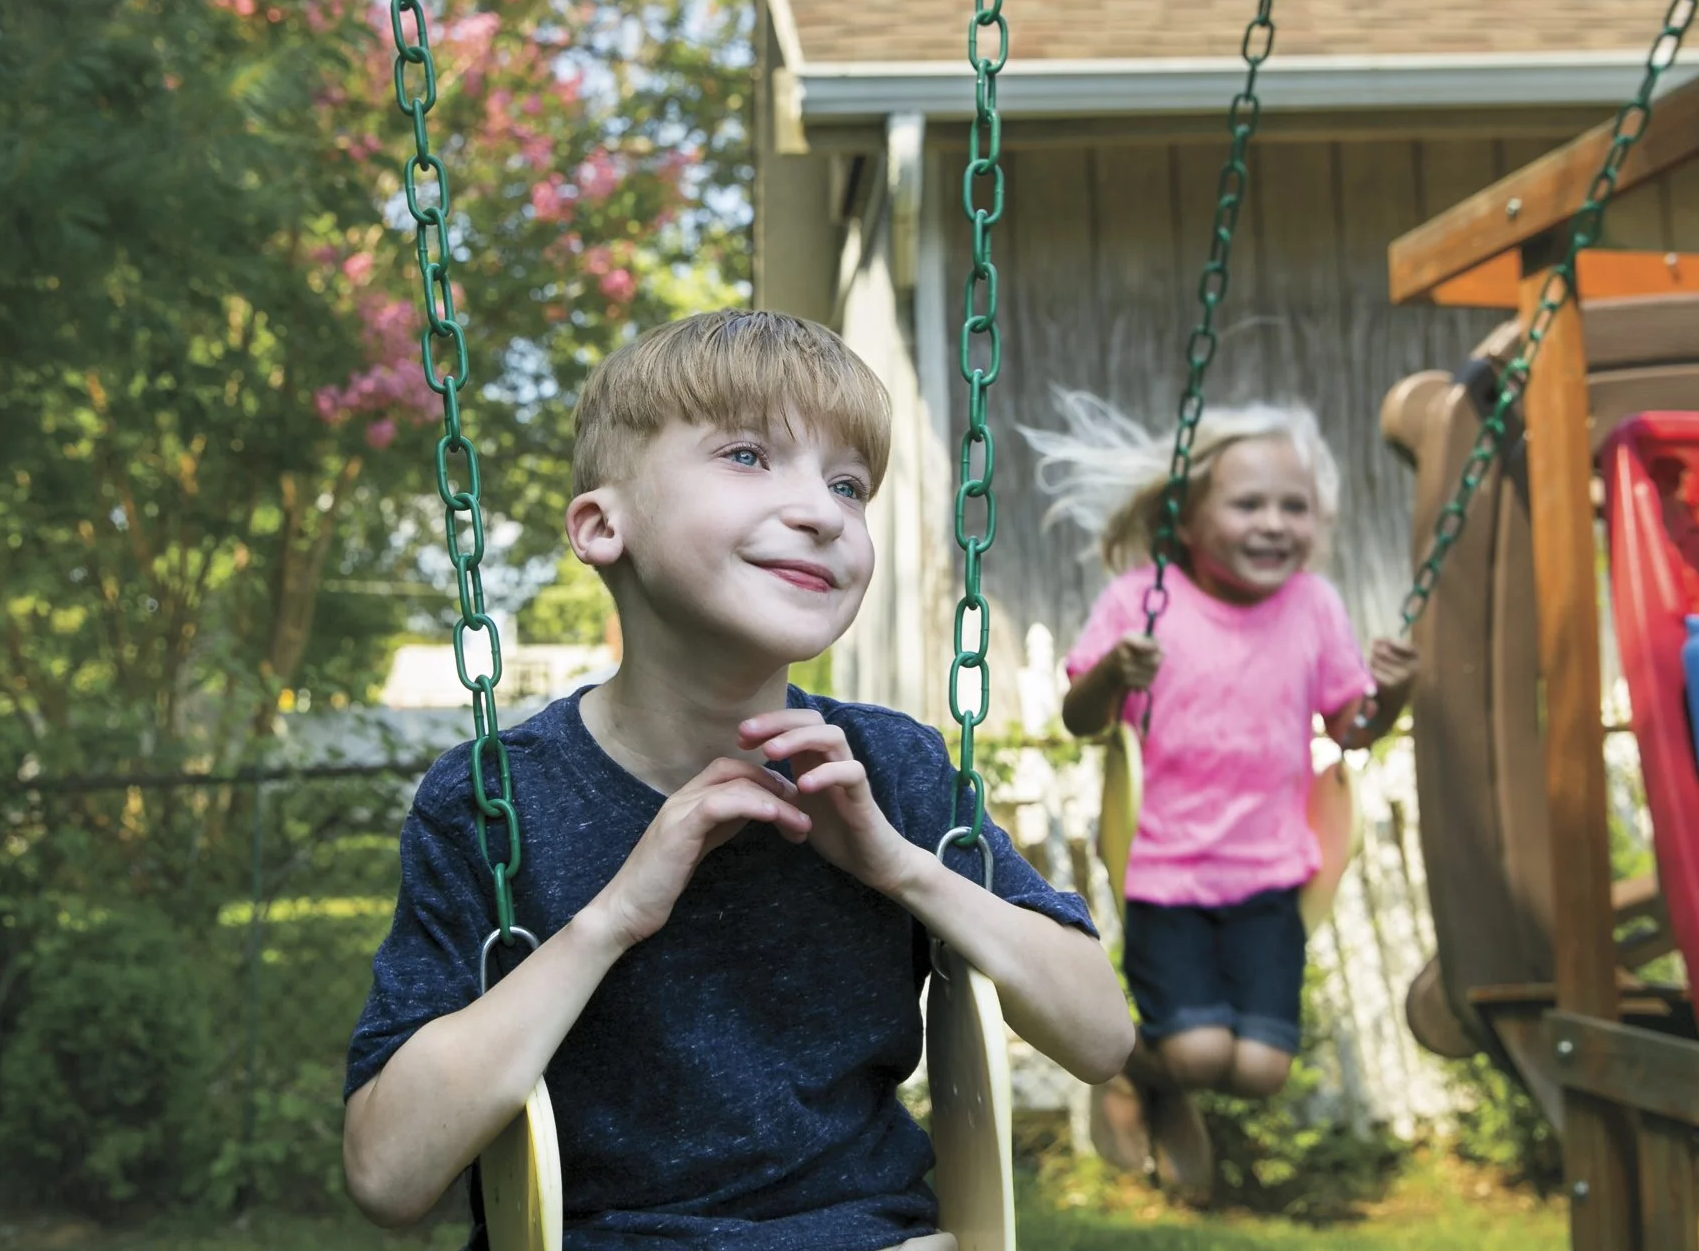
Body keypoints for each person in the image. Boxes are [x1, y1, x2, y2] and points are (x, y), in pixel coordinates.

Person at [343, 311, 1136, 1249]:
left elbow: (1101, 1038)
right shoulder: (497, 802)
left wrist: (898, 865)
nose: (822, 512)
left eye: (849, 484)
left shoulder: (889, 770)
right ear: (603, 526)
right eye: (750, 457)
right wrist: (616, 915)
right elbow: (389, 1174)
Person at [1023, 391, 1418, 1194]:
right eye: (1249, 504)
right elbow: (1080, 718)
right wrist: (1111, 675)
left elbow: (1352, 729)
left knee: (1264, 1070)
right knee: (1201, 1049)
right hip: (1165, 868)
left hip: (1273, 872)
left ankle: (1158, 1084)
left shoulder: (1314, 605)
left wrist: (1394, 695)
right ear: (1188, 519)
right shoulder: (1144, 597)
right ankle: (1137, 1075)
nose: (1275, 523)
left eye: (1294, 507)